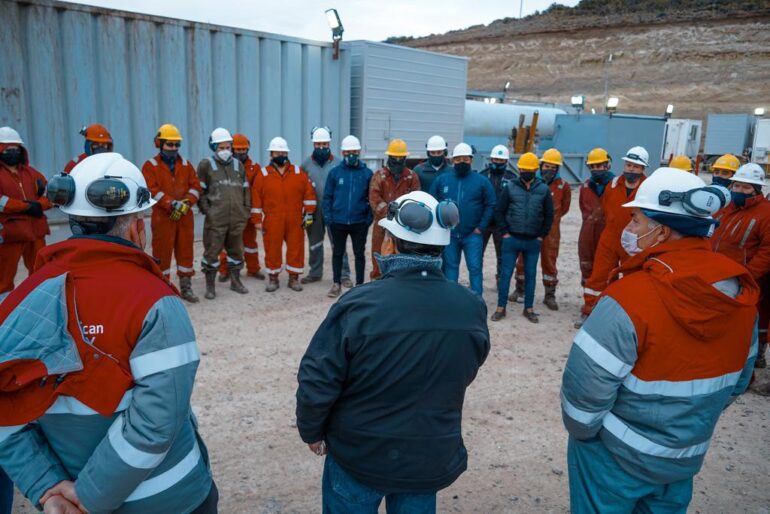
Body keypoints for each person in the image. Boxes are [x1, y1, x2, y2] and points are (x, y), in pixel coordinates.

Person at [0, 153, 217, 514]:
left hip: (65, 499)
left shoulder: (21, 301)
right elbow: (155, 425)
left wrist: (46, 485)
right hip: (170, 501)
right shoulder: (155, 303)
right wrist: (88, 498)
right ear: (136, 227)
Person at [561, 167, 755, 513]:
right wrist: (685, 428)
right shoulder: (741, 297)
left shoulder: (629, 297)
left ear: (662, 231)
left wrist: (590, 436)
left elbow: (584, 394)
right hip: (682, 460)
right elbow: (738, 382)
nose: (630, 229)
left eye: (636, 220)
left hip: (614, 460)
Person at [296, 190, 489, 514]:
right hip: (427, 457)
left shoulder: (360, 305)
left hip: (360, 455)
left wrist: (311, 430)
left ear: (392, 244)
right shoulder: (470, 307)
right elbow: (467, 367)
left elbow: (319, 376)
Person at [578, 146, 648, 326]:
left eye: (636, 166)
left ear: (643, 168)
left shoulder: (647, 188)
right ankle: (589, 311)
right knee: (599, 275)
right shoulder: (613, 185)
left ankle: (626, 315)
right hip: (610, 236)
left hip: (634, 239)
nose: (631, 169)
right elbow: (607, 207)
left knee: (631, 276)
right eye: (629, 165)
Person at [712, 163, 770, 370]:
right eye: (737, 185)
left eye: (746, 187)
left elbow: (767, 251)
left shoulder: (766, 213)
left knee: (745, 322)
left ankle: (750, 358)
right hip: (715, 275)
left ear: (756, 190)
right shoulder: (726, 208)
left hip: (744, 279)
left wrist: (748, 276)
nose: (739, 190)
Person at [141, 123, 202, 303]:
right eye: (169, 144)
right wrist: (171, 203)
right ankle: (163, 290)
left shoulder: (186, 165)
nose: (173, 148)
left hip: (184, 217)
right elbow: (151, 189)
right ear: (159, 144)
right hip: (163, 218)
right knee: (162, 254)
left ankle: (186, 288)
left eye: (177, 144)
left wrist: (186, 203)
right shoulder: (150, 166)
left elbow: (196, 186)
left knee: (186, 252)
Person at [492, 152, 554, 323]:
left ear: (535, 170)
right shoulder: (510, 187)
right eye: (523, 169)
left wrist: (541, 235)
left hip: (533, 241)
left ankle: (529, 308)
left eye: (529, 170)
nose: (526, 172)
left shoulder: (543, 189)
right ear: (519, 169)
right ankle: (500, 307)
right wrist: (505, 232)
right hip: (511, 239)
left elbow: (549, 215)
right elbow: (499, 210)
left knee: (530, 275)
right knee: (505, 274)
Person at [252, 137, 317, 292]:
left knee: (296, 248)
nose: (280, 155)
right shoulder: (263, 174)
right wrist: (257, 220)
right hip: (272, 219)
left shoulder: (298, 173)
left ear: (287, 153)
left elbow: (309, 195)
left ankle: (294, 278)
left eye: (283, 152)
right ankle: (273, 278)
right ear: (271, 154)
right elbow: (256, 199)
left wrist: (308, 214)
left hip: (295, 218)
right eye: (277, 152)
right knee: (272, 248)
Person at [430, 142, 495, 296]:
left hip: (473, 234)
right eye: (458, 159)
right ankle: (452, 301)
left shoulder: (481, 181)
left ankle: (477, 301)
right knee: (451, 268)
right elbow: (432, 202)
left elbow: (491, 204)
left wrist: (481, 227)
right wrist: (440, 226)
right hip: (450, 234)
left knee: (475, 268)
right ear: (453, 160)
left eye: (465, 159)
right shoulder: (442, 180)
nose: (462, 162)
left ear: (471, 160)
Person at [511, 148, 571, 310]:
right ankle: (520, 289)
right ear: (541, 165)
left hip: (551, 232)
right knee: (523, 259)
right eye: (546, 166)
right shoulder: (532, 183)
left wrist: (552, 221)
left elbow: (564, 208)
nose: (549, 170)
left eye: (553, 167)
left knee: (549, 261)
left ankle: (549, 295)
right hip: (530, 228)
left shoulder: (563, 186)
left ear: (557, 169)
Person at [197, 127, 251, 299]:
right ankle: (210, 287)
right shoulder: (206, 165)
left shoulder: (238, 165)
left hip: (237, 218)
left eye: (228, 147)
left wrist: (245, 211)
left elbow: (246, 190)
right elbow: (200, 191)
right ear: (214, 147)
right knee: (212, 252)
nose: (225, 151)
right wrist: (208, 211)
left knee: (236, 252)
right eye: (221, 148)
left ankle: (236, 282)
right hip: (216, 220)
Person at [0, 126, 51, 295]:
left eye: (16, 149)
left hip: (36, 232)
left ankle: (38, 301)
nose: (13, 153)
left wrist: (40, 205)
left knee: (40, 274)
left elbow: (51, 194)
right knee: (3, 280)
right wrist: (27, 207)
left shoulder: (32, 173)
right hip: (10, 233)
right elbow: (1, 202)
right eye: (8, 150)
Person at [322, 135, 373, 298]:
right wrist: (329, 218)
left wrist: (368, 219)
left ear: (359, 152)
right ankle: (336, 283)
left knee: (359, 254)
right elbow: (327, 197)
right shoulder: (335, 173)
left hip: (359, 222)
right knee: (338, 253)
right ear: (342, 153)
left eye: (354, 152)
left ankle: (359, 285)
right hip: (338, 221)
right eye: (347, 152)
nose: (351, 155)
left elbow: (371, 198)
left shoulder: (367, 173)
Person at [301, 127, 352, 287]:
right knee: (314, 242)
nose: (321, 147)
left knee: (338, 243)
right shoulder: (305, 165)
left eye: (324, 144)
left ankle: (344, 275)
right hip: (313, 211)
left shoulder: (338, 163)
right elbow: (301, 188)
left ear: (329, 143)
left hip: (334, 211)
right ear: (313, 144)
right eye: (318, 144)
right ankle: (315, 273)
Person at [368, 139, 421, 280]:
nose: (397, 161)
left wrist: (402, 215)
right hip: (382, 225)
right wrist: (390, 212)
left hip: (404, 226)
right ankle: (378, 281)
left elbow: (416, 199)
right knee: (379, 255)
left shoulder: (411, 177)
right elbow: (374, 199)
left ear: (405, 158)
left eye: (400, 158)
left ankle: (400, 283)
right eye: (394, 158)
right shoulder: (379, 176)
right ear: (389, 157)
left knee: (403, 256)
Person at [217, 133, 266, 281]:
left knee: (250, 243)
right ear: (232, 149)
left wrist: (256, 213)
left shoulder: (254, 168)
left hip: (248, 212)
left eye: (244, 149)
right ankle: (225, 270)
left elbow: (258, 191)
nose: (241, 152)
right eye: (238, 150)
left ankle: (253, 269)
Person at [577, 148, 614, 294]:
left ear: (607, 165)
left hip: (607, 234)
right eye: (592, 166)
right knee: (586, 267)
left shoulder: (615, 186)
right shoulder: (585, 187)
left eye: (598, 166)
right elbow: (583, 208)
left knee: (606, 269)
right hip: (587, 234)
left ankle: (604, 301)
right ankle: (588, 301)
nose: (595, 169)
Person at [481, 144, 515, 290]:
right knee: (478, 253)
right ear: (491, 159)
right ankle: (476, 278)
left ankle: (501, 280)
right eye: (496, 160)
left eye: (501, 161)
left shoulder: (512, 179)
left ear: (506, 161)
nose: (498, 163)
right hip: (484, 223)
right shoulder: (482, 176)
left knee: (502, 256)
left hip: (502, 225)